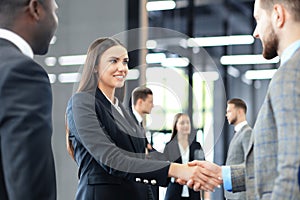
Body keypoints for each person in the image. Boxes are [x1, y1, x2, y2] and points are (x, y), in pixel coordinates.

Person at [65, 37, 222, 200]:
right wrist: (175, 169)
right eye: (113, 61)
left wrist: (179, 172)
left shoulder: (122, 110)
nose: (122, 68)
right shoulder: (82, 102)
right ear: (95, 66)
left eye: (125, 62)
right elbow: (112, 160)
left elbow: (138, 161)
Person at [187, 0, 300, 199]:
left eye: (258, 19)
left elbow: (293, 168)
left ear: (278, 15)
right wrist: (222, 174)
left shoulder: (291, 73)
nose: (255, 32)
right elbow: (272, 165)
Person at [0, 0, 58, 199]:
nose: (56, 20)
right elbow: (29, 188)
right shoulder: (21, 72)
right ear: (35, 9)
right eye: (54, 10)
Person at [163, 113, 209, 200]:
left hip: (193, 192)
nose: (186, 125)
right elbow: (166, 169)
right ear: (176, 126)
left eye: (188, 123)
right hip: (174, 192)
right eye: (182, 123)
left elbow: (203, 167)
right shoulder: (170, 146)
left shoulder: (196, 146)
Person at [224, 98, 252, 200]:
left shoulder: (247, 133)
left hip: (240, 195)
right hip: (233, 194)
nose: (226, 115)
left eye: (229, 111)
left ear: (240, 111)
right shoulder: (238, 133)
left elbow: (250, 163)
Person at [130, 86, 154, 152]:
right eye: (150, 102)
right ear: (140, 102)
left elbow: (148, 147)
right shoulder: (128, 122)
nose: (153, 105)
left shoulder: (139, 123)